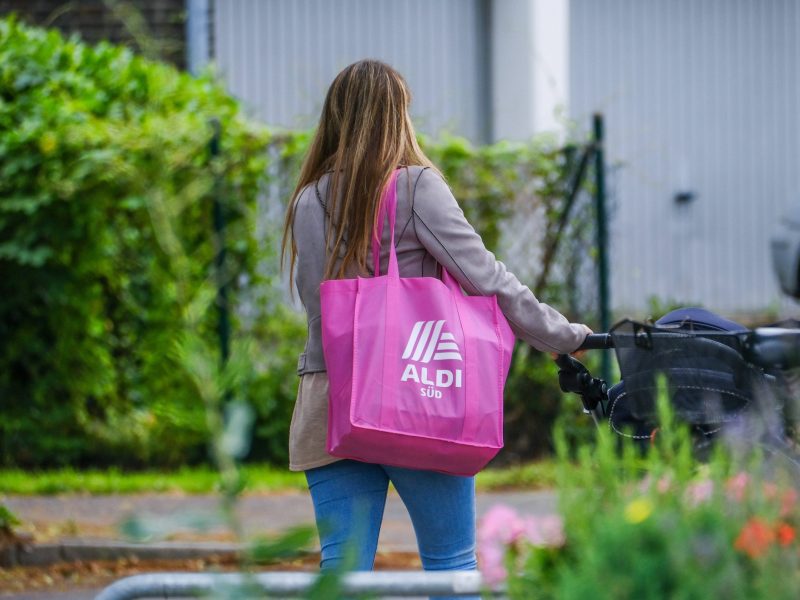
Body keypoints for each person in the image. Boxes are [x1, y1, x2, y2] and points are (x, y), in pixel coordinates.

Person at [281, 59, 591, 585]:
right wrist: (564, 337)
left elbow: (319, 304)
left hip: (329, 399)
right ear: (396, 117)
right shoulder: (414, 187)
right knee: (450, 566)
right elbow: (487, 279)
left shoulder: (307, 201)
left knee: (341, 571)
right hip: (416, 393)